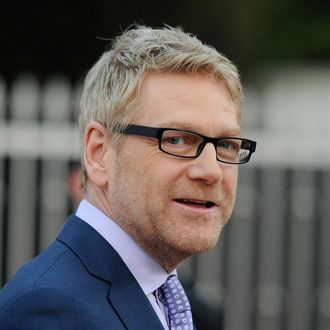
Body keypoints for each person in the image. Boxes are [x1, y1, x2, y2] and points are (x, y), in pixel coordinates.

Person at [0, 25, 256, 329]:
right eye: (176, 139)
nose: (211, 171)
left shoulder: (161, 298)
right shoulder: (52, 311)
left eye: (226, 145)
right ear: (99, 152)